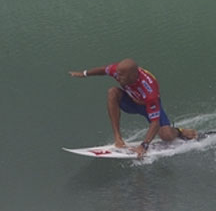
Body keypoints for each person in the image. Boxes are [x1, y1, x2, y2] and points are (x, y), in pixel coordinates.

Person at [69, 58, 198, 158]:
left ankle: (180, 131)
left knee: (166, 135)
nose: (117, 77)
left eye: (121, 76)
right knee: (112, 92)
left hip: (148, 106)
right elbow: (104, 70)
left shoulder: (149, 90)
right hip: (130, 101)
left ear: (132, 76)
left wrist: (144, 145)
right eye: (117, 74)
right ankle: (118, 138)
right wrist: (84, 73)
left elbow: (155, 122)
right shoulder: (119, 71)